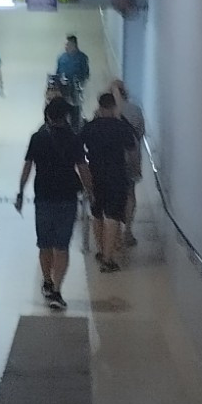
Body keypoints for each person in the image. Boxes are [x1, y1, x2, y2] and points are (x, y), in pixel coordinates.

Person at [16, 97, 90, 311]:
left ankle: (47, 281)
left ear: (48, 116)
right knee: (62, 246)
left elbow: (27, 167)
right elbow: (83, 168)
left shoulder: (37, 138)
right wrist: (90, 190)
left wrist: (20, 191)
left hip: (43, 196)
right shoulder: (74, 139)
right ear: (67, 116)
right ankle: (57, 289)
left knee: (44, 243)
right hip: (66, 197)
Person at [79, 93, 139, 272]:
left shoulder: (90, 127)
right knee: (112, 216)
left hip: (95, 174)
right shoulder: (121, 127)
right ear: (113, 107)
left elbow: (78, 149)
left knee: (96, 213)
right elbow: (132, 148)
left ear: (99, 106)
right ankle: (108, 258)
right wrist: (134, 169)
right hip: (116, 175)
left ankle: (100, 250)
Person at [111, 78, 145, 248]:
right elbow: (140, 133)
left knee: (114, 194)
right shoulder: (136, 110)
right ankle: (128, 231)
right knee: (130, 193)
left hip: (112, 160)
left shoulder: (104, 111)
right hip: (132, 157)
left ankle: (114, 234)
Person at [54, 35, 90, 126]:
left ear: (74, 45)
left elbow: (85, 74)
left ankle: (75, 124)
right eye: (65, 45)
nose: (65, 47)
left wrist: (80, 83)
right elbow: (58, 72)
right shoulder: (62, 58)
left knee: (75, 109)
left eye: (67, 44)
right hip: (64, 88)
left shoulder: (82, 58)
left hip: (76, 89)